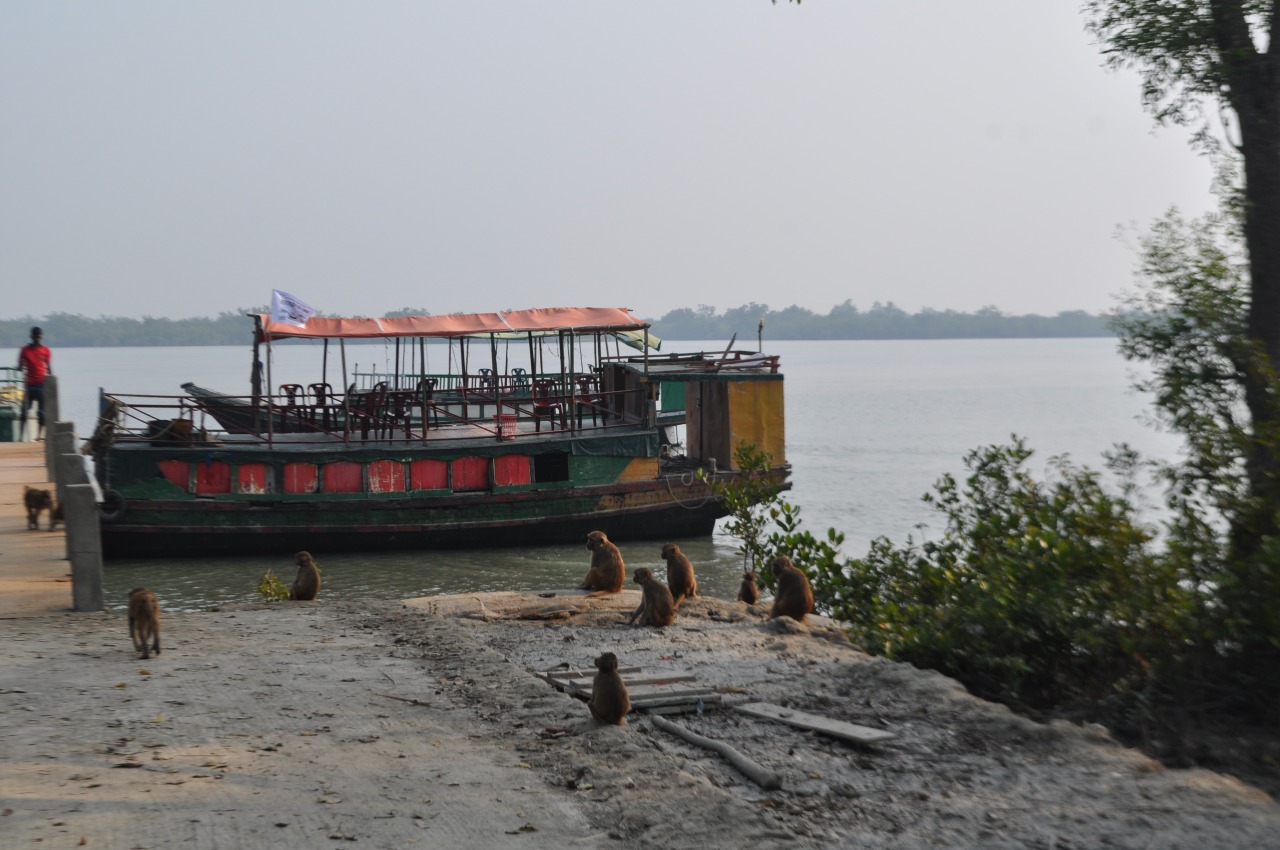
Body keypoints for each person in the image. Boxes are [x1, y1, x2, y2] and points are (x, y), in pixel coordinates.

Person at [17, 326, 51, 440]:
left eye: (39, 337)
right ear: (31, 337)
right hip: (29, 385)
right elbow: (19, 366)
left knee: (41, 414)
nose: (37, 339)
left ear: (41, 337)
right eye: (35, 337)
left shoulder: (45, 350)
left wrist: (50, 383)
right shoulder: (25, 350)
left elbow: (49, 368)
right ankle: (21, 437)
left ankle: (39, 436)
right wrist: (21, 366)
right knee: (23, 412)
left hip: (41, 384)